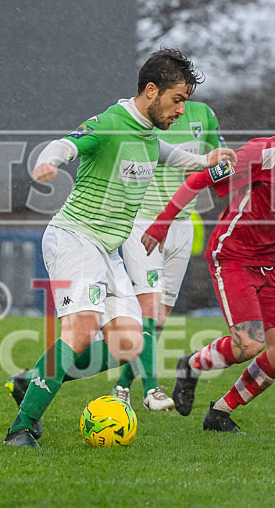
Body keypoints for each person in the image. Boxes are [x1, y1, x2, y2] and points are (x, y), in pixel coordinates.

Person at [2, 48, 237, 447]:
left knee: (129, 343)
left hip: (107, 250)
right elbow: (66, 143)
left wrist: (206, 160)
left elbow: (169, 155)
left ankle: (32, 380)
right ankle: (22, 428)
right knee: (81, 331)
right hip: (76, 237)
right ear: (151, 91)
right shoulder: (112, 122)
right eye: (177, 99)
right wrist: (49, 162)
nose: (181, 110)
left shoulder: (149, 134)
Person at [142, 93, 275, 433]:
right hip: (233, 255)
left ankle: (220, 412)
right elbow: (199, 179)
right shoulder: (262, 153)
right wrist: (163, 223)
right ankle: (191, 366)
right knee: (248, 344)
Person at [111, 100, 227, 411]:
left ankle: (120, 385)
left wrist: (217, 175)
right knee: (148, 311)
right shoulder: (140, 114)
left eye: (185, 92)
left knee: (159, 319)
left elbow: (222, 163)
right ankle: (152, 390)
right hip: (144, 222)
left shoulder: (204, 114)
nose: (181, 103)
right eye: (176, 93)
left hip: (182, 224)